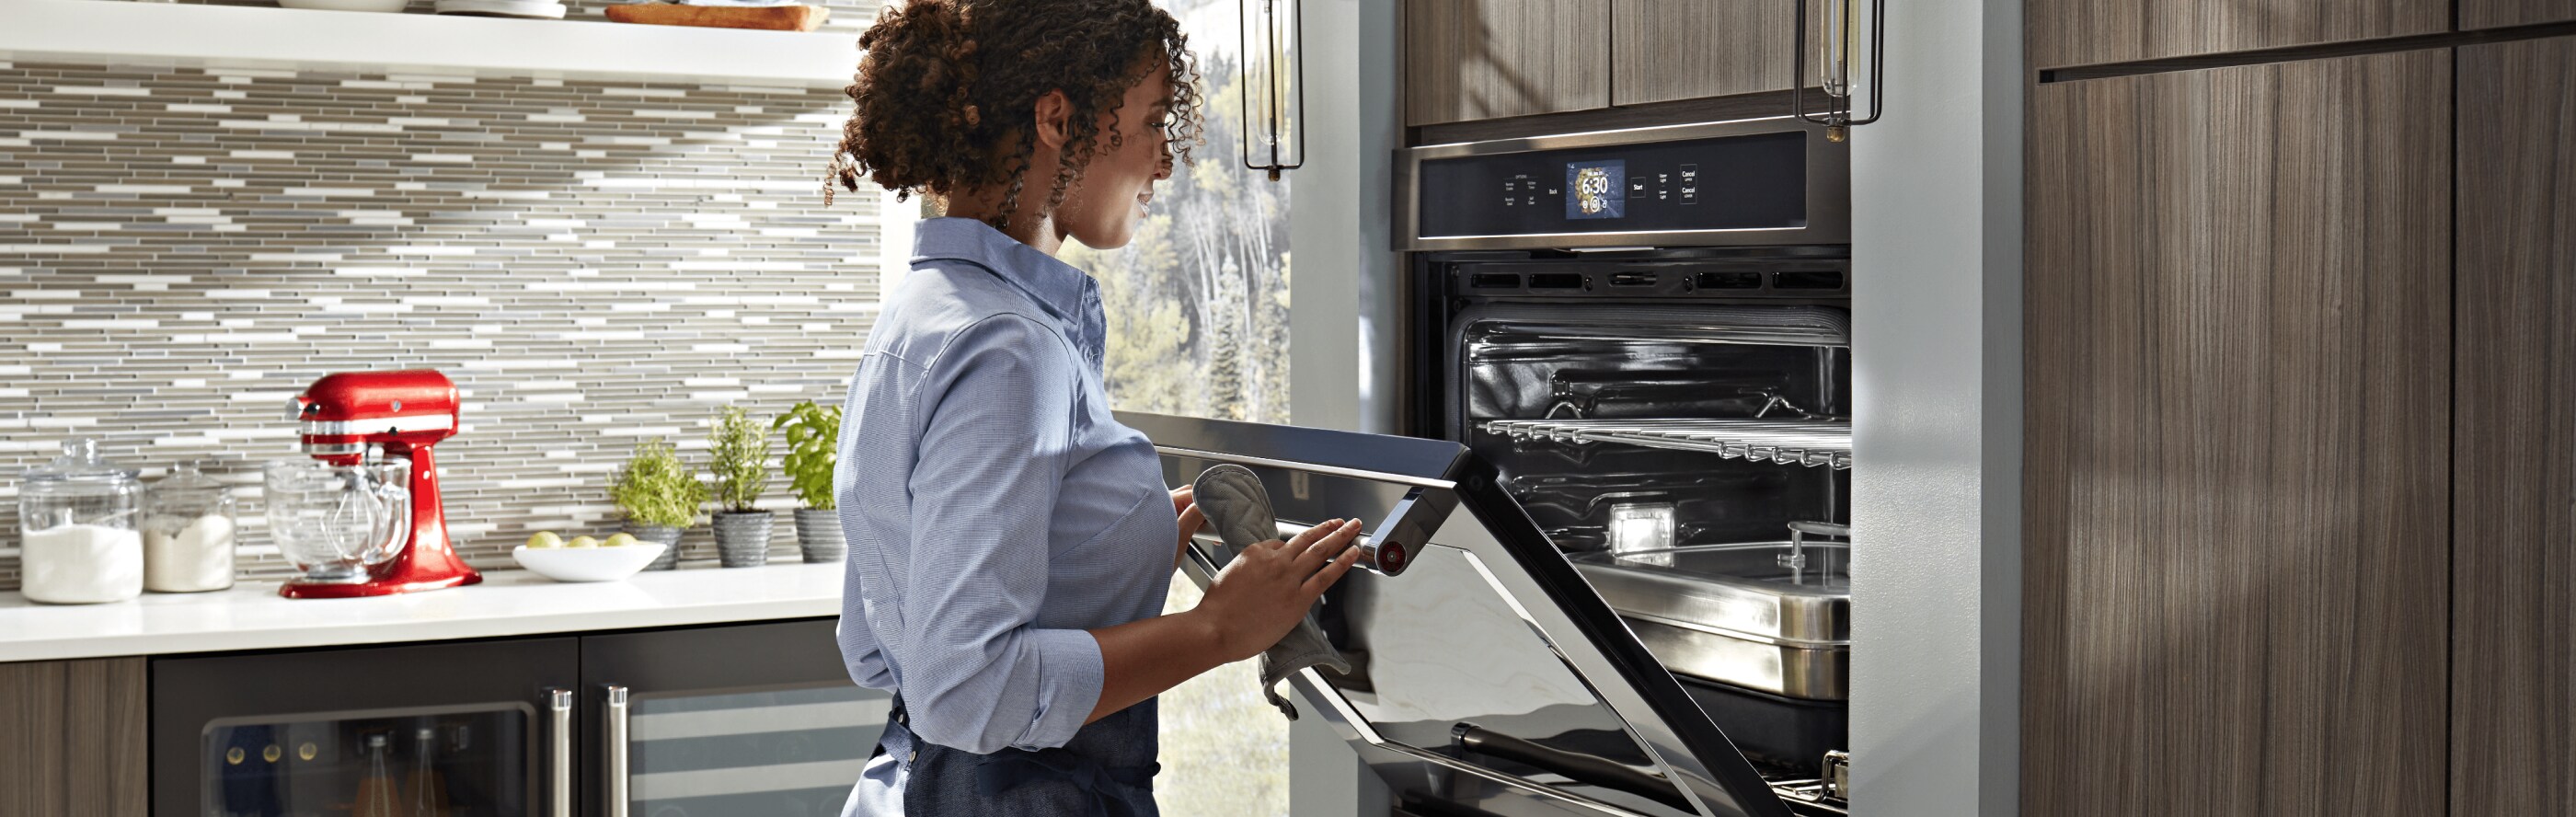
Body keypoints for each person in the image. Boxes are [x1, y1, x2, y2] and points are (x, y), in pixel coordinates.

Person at [822, 1, 1365, 814]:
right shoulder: (1012, 349)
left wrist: (1111, 548)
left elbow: (874, 644)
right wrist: (1218, 630)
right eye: (1153, 122)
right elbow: (967, 691)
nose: (1165, 162)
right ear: (1058, 120)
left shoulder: (919, 314)